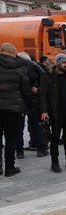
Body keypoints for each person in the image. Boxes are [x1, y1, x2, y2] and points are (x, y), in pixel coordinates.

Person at [39, 54, 66, 173]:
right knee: (55, 138)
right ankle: (55, 163)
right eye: (64, 63)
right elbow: (42, 94)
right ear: (58, 63)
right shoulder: (48, 76)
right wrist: (43, 111)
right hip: (56, 112)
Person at [0, 43, 30, 177]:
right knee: (11, 139)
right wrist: (28, 106)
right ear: (13, 53)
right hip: (14, 110)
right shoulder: (20, 67)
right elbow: (25, 90)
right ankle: (10, 168)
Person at [16, 52, 47, 157]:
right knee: (36, 125)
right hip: (33, 99)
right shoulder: (34, 66)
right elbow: (43, 75)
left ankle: (19, 151)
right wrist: (36, 87)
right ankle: (40, 149)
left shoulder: (15, 66)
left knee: (19, 127)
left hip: (19, 100)